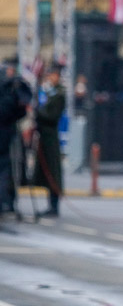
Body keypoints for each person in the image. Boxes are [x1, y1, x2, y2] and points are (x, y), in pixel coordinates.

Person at [32, 64, 67, 217]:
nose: (49, 78)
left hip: (51, 136)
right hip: (44, 136)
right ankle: (50, 204)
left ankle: (54, 205)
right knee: (46, 173)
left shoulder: (59, 94)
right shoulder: (49, 93)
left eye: (52, 75)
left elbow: (51, 115)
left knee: (52, 171)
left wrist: (38, 112)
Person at [0, 61, 31, 216]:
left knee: (9, 169)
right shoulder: (8, 90)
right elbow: (18, 111)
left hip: (7, 135)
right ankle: (5, 201)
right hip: (6, 135)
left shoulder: (11, 88)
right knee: (5, 169)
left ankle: (7, 201)